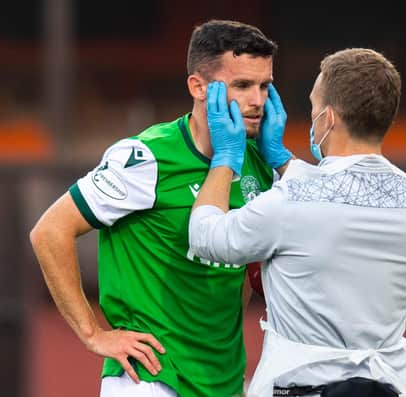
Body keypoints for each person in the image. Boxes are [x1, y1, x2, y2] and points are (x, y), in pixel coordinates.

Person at [29, 19, 289, 397]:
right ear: (198, 87)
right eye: (242, 85)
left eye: (265, 86)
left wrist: (281, 162)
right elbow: (50, 232)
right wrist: (93, 333)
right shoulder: (146, 158)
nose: (258, 101)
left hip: (224, 378)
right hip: (151, 377)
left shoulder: (258, 161)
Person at [188, 48, 406, 397]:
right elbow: (341, 198)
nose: (313, 114)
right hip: (391, 385)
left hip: (303, 386)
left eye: (315, 107)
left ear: (328, 118)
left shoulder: (290, 202)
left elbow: (206, 236)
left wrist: (226, 157)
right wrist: (283, 160)